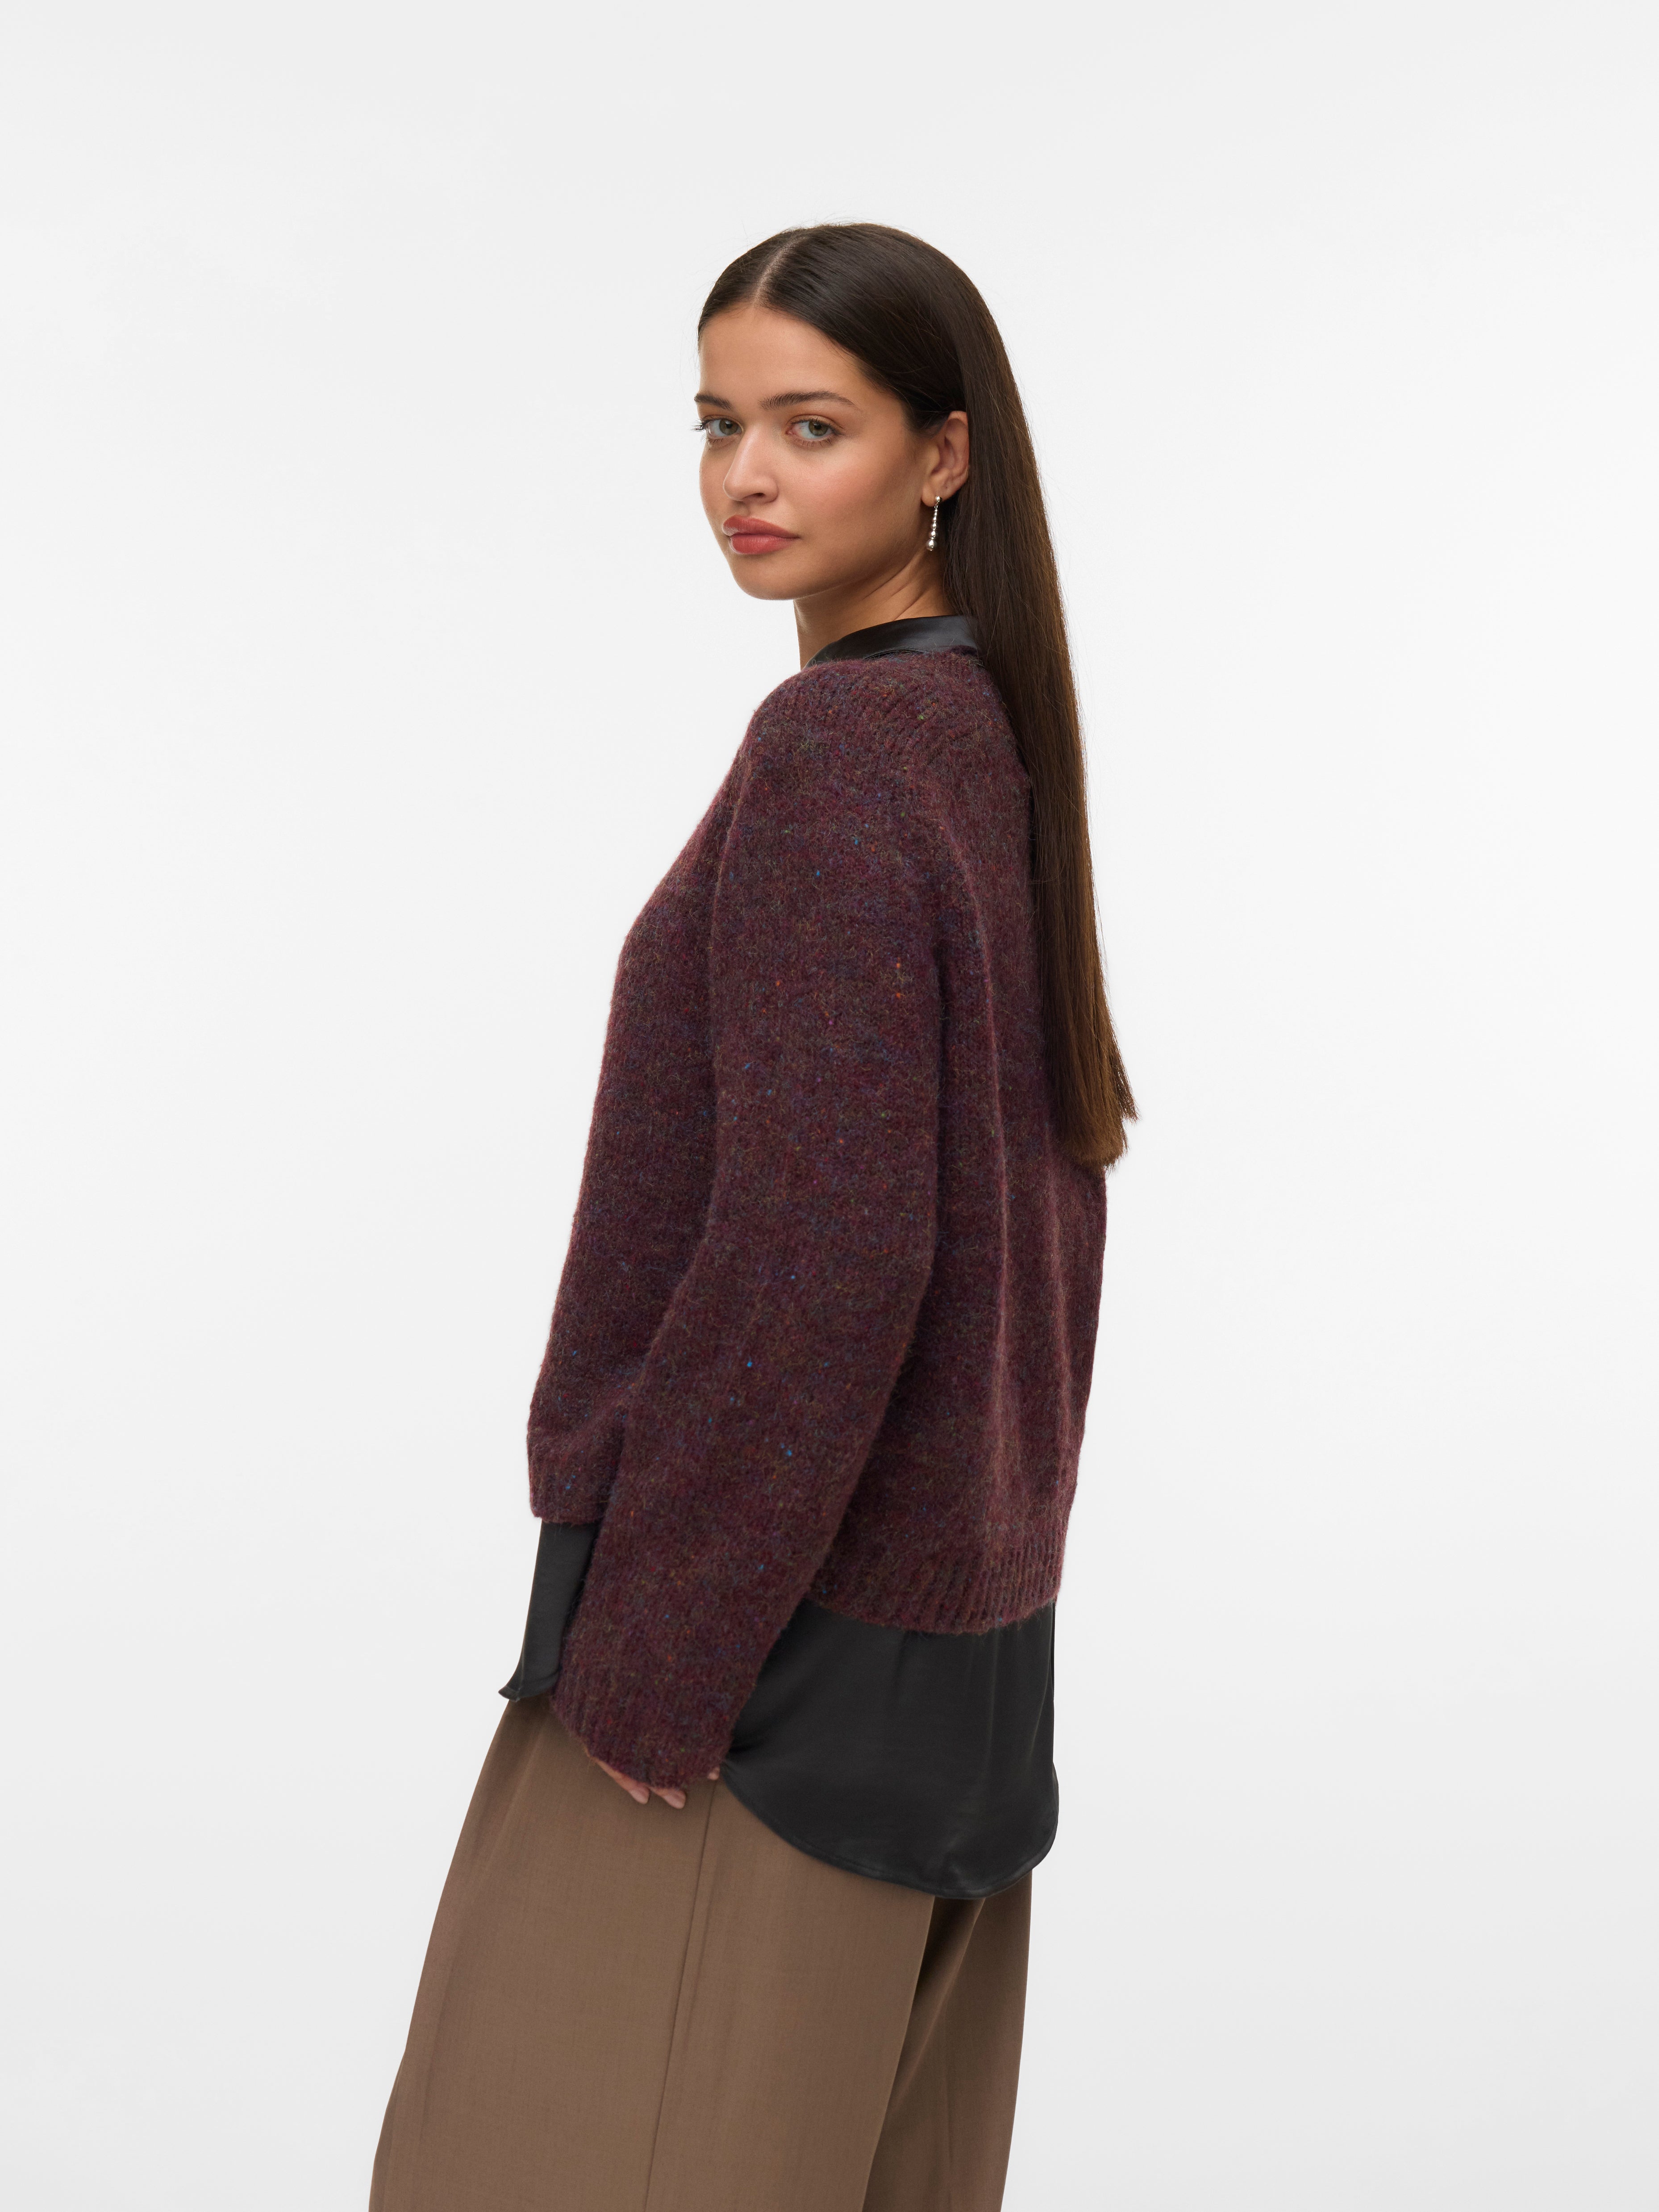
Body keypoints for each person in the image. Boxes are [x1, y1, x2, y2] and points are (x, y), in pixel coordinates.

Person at [369, 221, 1134, 2212]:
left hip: (753, 1680)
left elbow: (827, 1254)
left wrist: (659, 1656)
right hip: (954, 1671)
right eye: (717, 424)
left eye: (812, 425)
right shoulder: (982, 739)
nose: (745, 478)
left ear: (942, 455)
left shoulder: (838, 756)